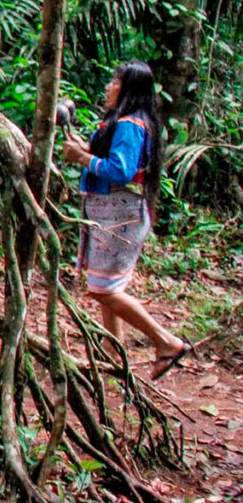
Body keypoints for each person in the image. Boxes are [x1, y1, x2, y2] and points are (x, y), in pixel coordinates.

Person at [61, 61, 188, 381]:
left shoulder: (132, 124)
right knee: (108, 285)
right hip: (112, 214)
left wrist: (82, 158)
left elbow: (121, 170)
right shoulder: (126, 122)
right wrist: (85, 150)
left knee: (102, 291)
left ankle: (167, 342)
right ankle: (112, 352)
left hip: (120, 217)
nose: (108, 87)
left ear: (127, 88)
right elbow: (109, 159)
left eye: (114, 82)